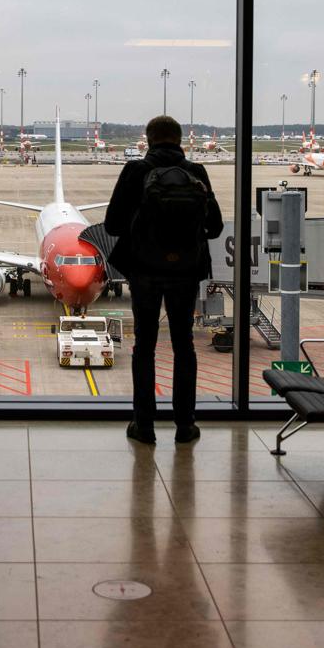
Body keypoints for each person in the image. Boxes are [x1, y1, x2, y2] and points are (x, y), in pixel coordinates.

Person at [104, 115, 223, 445]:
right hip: (185, 272)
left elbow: (112, 225)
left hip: (145, 272)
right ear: (180, 139)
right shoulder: (196, 173)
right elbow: (215, 228)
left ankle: (144, 425)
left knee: (145, 347)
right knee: (184, 346)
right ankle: (185, 425)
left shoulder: (136, 171)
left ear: (149, 139)